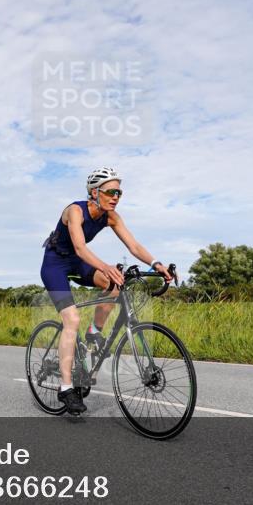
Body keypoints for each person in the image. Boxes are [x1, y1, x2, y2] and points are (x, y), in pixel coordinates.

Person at [40, 167, 171, 414]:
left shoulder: (111, 217)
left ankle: (93, 333)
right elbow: (79, 247)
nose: (116, 197)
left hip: (78, 263)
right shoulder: (75, 211)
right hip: (55, 264)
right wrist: (105, 266)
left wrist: (156, 264)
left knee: (116, 283)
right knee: (72, 319)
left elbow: (133, 245)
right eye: (111, 192)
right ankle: (66, 387)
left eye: (119, 192)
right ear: (94, 192)